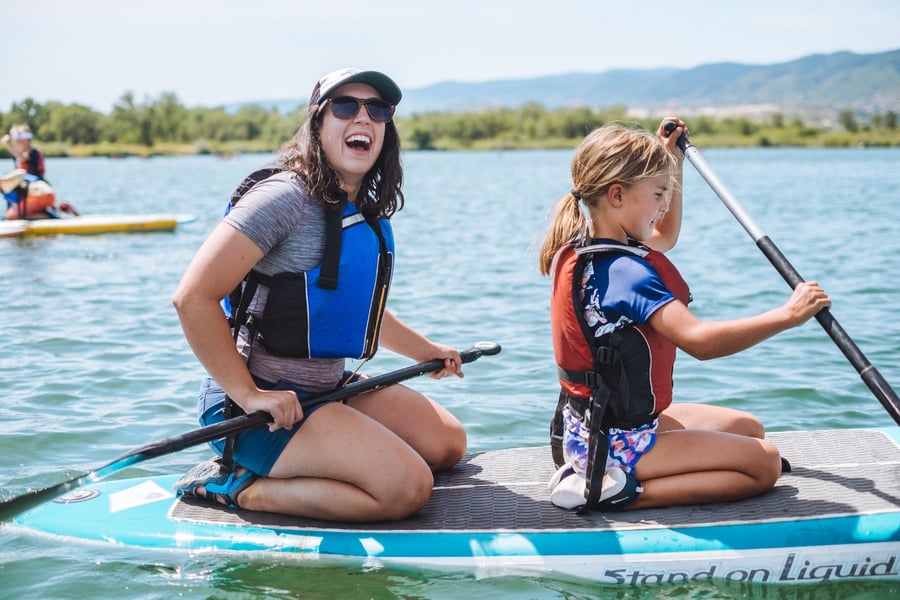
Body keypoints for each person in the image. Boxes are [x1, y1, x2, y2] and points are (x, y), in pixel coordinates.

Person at [171, 68, 467, 522]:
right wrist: (251, 396)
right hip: (256, 409)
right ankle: (243, 488)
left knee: (448, 444)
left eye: (378, 110)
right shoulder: (282, 199)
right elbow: (192, 298)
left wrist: (426, 351)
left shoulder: (357, 209)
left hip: (325, 390)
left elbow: (350, 311)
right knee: (407, 489)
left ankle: (320, 457)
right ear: (318, 124)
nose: (363, 118)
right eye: (345, 106)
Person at [538, 120, 831, 511]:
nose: (663, 205)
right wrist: (788, 315)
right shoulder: (626, 273)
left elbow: (665, 236)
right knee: (764, 464)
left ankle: (605, 475)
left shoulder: (577, 247)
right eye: (659, 193)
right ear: (617, 195)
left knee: (749, 428)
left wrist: (672, 161)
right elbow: (700, 342)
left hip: (589, 428)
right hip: (618, 444)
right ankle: (617, 492)